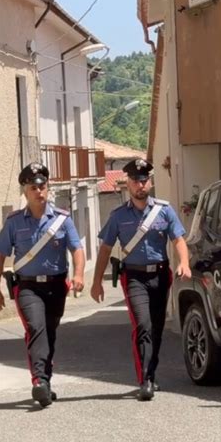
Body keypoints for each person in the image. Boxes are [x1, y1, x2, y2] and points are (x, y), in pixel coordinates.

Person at [90, 158, 191, 401]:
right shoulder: (118, 216)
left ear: (150, 182)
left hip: (160, 273)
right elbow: (105, 248)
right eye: (135, 180)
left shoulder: (164, 210)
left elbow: (178, 240)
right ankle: (144, 379)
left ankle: (152, 373)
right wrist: (96, 282)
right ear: (128, 184)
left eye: (144, 180)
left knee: (156, 328)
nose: (140, 185)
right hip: (133, 275)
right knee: (143, 325)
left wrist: (184, 263)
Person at [0, 162, 85, 408]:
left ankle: (46, 382)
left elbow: (77, 249)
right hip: (28, 287)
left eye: (42, 186)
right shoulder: (13, 222)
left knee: (49, 333)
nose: (39, 191)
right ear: (25, 192)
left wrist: (79, 275)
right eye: (33, 187)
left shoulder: (62, 220)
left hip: (56, 286)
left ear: (48, 188)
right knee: (36, 327)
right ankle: (39, 381)